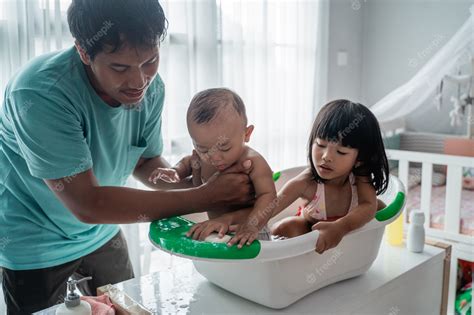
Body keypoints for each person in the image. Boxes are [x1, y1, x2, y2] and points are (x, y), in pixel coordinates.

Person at [0, 1, 253, 313]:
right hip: (36, 244)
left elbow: (145, 163)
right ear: (83, 51)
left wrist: (193, 178)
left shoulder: (151, 88)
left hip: (103, 233)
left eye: (150, 61)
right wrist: (205, 197)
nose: (138, 82)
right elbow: (88, 204)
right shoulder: (39, 94)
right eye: (119, 68)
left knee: (130, 309)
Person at [150, 88, 277, 248]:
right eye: (203, 148)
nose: (214, 157)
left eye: (224, 148)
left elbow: (269, 196)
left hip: (249, 231)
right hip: (216, 230)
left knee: (253, 269)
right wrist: (175, 171)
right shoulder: (205, 156)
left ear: (246, 133)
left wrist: (252, 226)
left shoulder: (253, 162)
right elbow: (188, 162)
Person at [270, 100, 389, 254]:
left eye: (341, 152)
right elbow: (272, 206)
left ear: (359, 159)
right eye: (320, 145)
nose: (326, 157)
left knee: (377, 207)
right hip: (311, 226)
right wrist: (248, 224)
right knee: (283, 228)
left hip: (349, 224)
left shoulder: (360, 176)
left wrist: (341, 227)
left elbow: (367, 205)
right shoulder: (306, 182)